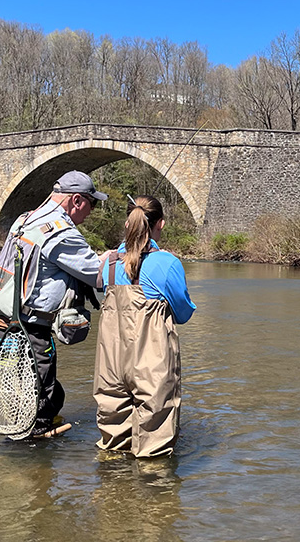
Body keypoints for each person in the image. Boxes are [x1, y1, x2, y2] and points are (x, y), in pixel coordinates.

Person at [0, 170, 108, 438]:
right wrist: (118, 256)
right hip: (30, 329)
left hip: (0, 323)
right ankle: (34, 461)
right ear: (76, 200)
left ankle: (18, 452)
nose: (91, 212)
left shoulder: (24, 219)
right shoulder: (60, 232)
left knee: (14, 392)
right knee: (43, 399)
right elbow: (98, 276)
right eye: (91, 203)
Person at [93, 194, 196, 457]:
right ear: (159, 224)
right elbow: (183, 314)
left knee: (113, 441)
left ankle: (114, 491)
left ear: (129, 223)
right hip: (151, 362)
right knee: (155, 445)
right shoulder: (167, 263)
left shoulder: (110, 263)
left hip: (111, 361)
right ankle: (153, 494)